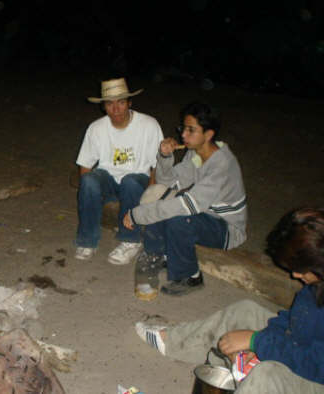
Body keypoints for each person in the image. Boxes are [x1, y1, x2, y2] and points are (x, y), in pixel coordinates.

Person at [136, 207, 324, 393]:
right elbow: (294, 320)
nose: (295, 275)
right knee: (245, 311)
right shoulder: (317, 283)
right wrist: (261, 343)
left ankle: (247, 380)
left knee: (265, 375)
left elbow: (316, 365)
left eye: (302, 268)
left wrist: (257, 342)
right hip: (302, 346)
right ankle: (174, 342)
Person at [124, 102, 247, 295]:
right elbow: (169, 182)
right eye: (183, 128)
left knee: (179, 219)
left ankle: (191, 276)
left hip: (226, 227)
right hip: (203, 212)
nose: (183, 135)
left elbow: (188, 205)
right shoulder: (195, 153)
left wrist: (137, 215)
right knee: (157, 194)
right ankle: (158, 254)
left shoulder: (221, 164)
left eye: (191, 130)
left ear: (208, 134)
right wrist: (165, 157)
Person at [74, 77, 163, 262]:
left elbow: (158, 164)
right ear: (103, 107)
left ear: (129, 103)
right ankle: (87, 241)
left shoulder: (149, 125)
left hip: (137, 182)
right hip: (109, 180)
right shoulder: (96, 128)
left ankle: (131, 240)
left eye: (121, 102)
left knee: (130, 181)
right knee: (89, 180)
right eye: (109, 104)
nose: (115, 109)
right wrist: (89, 194)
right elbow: (85, 165)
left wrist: (152, 194)